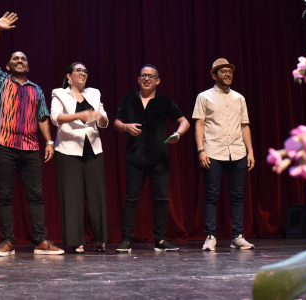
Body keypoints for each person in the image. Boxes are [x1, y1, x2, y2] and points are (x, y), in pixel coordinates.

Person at [0, 12, 63, 256]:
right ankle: (7, 241)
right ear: (7, 66)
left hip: (30, 148)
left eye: (24, 59)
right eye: (15, 58)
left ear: (27, 66)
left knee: (36, 196)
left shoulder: (37, 89)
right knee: (4, 195)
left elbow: (42, 118)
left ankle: (41, 240)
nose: (20, 61)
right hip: (4, 146)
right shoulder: (0, 80)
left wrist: (49, 141)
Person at [114, 64, 190, 253]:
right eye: (143, 76)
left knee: (162, 199)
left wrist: (178, 135)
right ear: (138, 79)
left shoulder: (165, 102)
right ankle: (126, 240)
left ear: (157, 80)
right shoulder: (129, 100)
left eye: (151, 76)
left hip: (159, 158)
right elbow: (116, 122)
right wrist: (126, 127)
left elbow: (184, 122)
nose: (147, 79)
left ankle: (160, 240)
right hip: (135, 157)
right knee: (131, 199)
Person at [192, 58, 255, 251]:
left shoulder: (239, 98)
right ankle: (211, 236)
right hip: (214, 151)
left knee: (237, 195)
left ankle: (238, 236)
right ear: (214, 75)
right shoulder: (204, 96)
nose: (227, 74)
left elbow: (245, 126)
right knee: (212, 194)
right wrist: (201, 150)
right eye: (223, 71)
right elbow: (199, 124)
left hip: (237, 151)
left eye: (229, 71)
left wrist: (250, 151)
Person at [50, 62, 109, 253]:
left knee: (97, 194)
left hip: (93, 147)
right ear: (69, 76)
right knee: (72, 195)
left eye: (85, 71)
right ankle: (77, 241)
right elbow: (55, 117)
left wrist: (100, 117)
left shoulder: (94, 93)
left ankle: (100, 239)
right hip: (68, 148)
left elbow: (104, 121)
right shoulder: (59, 93)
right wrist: (79, 115)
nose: (83, 73)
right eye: (79, 70)